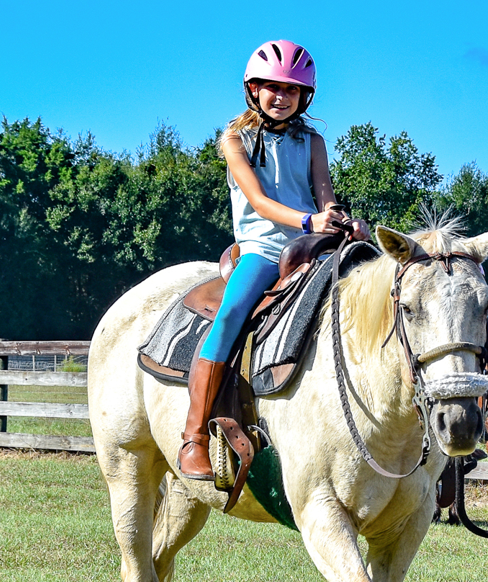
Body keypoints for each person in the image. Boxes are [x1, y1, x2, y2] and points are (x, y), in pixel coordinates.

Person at [178, 40, 367, 480]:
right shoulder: (234, 139)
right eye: (272, 88)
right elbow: (259, 203)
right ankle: (194, 438)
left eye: (292, 90)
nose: (281, 97)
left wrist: (343, 221)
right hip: (263, 248)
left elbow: (326, 197)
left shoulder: (313, 141)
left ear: (305, 97)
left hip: (315, 244)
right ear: (253, 90)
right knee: (230, 316)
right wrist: (309, 221)